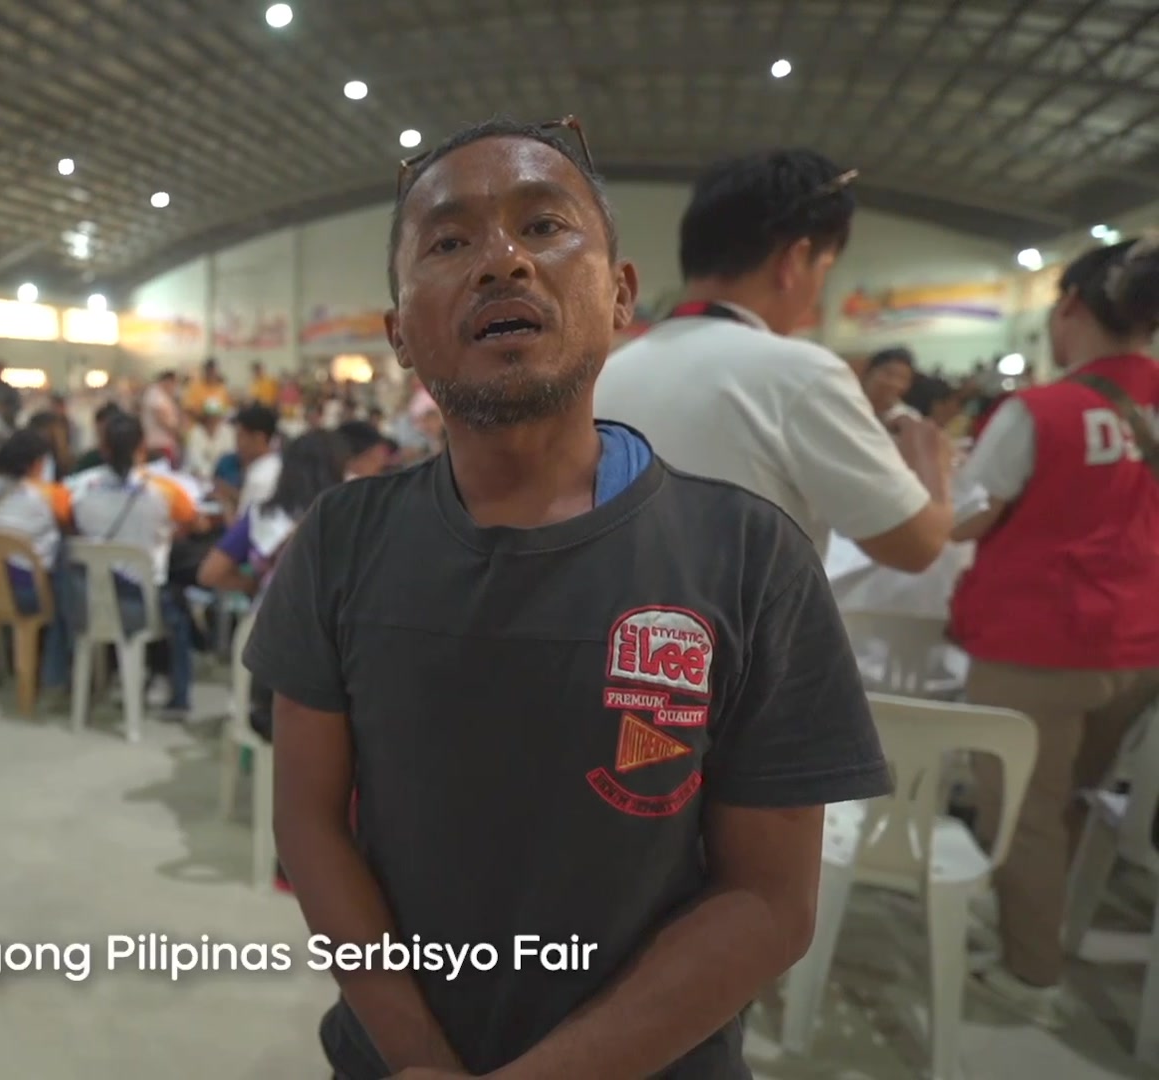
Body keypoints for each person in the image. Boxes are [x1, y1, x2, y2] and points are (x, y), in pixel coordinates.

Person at [245, 117, 890, 1080]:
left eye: (543, 226)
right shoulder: (342, 541)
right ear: (400, 336)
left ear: (621, 295)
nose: (502, 261)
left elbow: (767, 901)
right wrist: (419, 1055)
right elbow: (308, 820)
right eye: (450, 241)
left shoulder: (750, 558)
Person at [949, 234, 1159, 1020]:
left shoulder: (1040, 411)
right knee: (1074, 798)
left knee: (1024, 812)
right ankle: (1042, 921)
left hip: (1036, 643)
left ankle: (1030, 972)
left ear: (1068, 308)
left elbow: (965, 522)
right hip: (1140, 645)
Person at [594, 149, 954, 573]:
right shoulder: (799, 374)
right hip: (746, 639)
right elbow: (917, 545)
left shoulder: (605, 374)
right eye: (824, 267)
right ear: (795, 260)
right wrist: (934, 466)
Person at [71, 413, 200, 718]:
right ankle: (177, 695)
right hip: (143, 601)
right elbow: (194, 521)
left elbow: (69, 520)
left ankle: (117, 675)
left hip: (92, 598)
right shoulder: (163, 490)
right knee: (179, 613)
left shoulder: (81, 488)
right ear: (142, 448)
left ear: (102, 448)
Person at [0, 428, 75, 689]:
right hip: (27, 594)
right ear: (36, 464)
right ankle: (55, 675)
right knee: (67, 579)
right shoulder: (42, 496)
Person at [199, 428, 349, 599]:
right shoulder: (348, 519)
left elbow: (210, 573)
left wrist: (256, 586)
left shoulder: (263, 515)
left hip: (272, 617)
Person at [230, 403, 281, 513]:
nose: (237, 443)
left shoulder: (261, 478)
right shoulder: (275, 465)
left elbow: (248, 528)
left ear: (259, 438)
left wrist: (224, 501)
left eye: (240, 436)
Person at [861, 346, 919, 421]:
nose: (893, 383)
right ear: (868, 372)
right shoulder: (848, 402)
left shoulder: (909, 418)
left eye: (902, 378)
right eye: (888, 373)